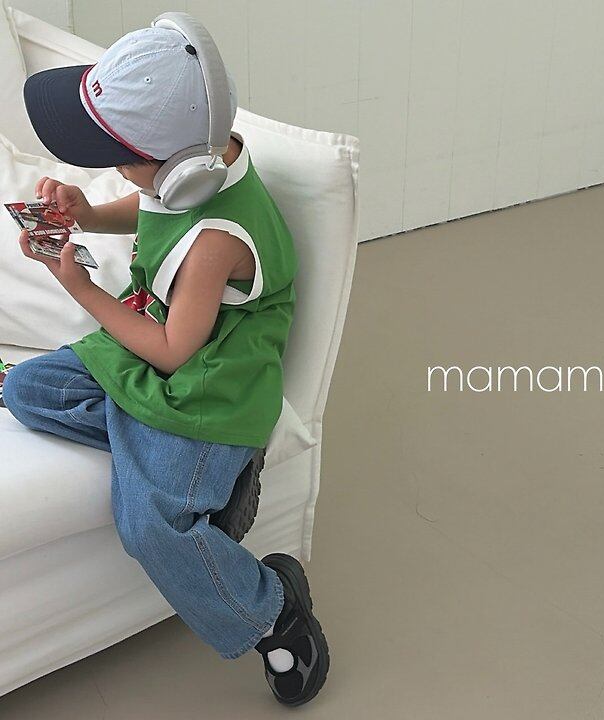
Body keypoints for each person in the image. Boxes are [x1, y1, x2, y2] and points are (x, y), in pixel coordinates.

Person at [2, 15, 329, 707]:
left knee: (148, 523)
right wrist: (88, 214)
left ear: (181, 169)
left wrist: (81, 287)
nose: (113, 172)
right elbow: (153, 204)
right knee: (28, 389)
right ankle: (167, 457)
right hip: (156, 349)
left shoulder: (216, 240)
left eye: (118, 159)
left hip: (207, 387)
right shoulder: (197, 172)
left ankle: (272, 611)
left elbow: (175, 354)